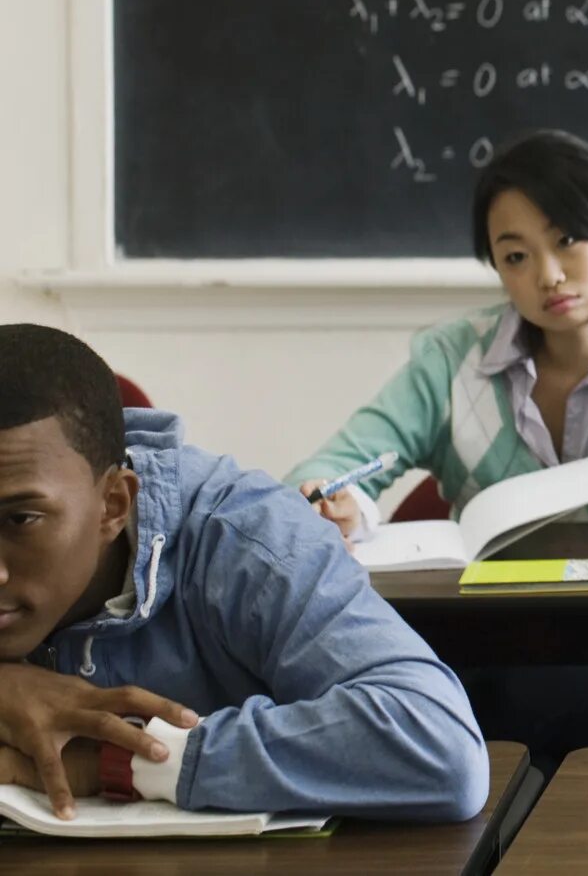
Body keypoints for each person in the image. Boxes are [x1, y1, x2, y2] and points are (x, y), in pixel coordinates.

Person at [285, 128, 588, 761]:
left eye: (568, 240)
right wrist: (337, 503)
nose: (548, 276)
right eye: (516, 256)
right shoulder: (452, 356)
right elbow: (335, 465)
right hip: (468, 644)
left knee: (530, 725)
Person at [0, 324, 484, 821]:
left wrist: (118, 762)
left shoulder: (245, 535)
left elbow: (438, 746)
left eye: (20, 520)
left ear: (112, 504)